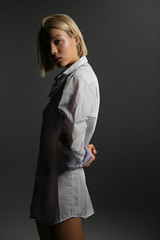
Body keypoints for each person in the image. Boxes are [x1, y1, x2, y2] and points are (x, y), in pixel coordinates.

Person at [29, 13, 100, 240]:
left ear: (75, 39)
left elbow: (73, 144)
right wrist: (84, 153)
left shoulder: (79, 78)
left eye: (57, 41)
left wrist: (84, 155)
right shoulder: (67, 78)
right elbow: (66, 134)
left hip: (63, 186)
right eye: (47, 44)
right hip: (49, 182)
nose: (52, 51)